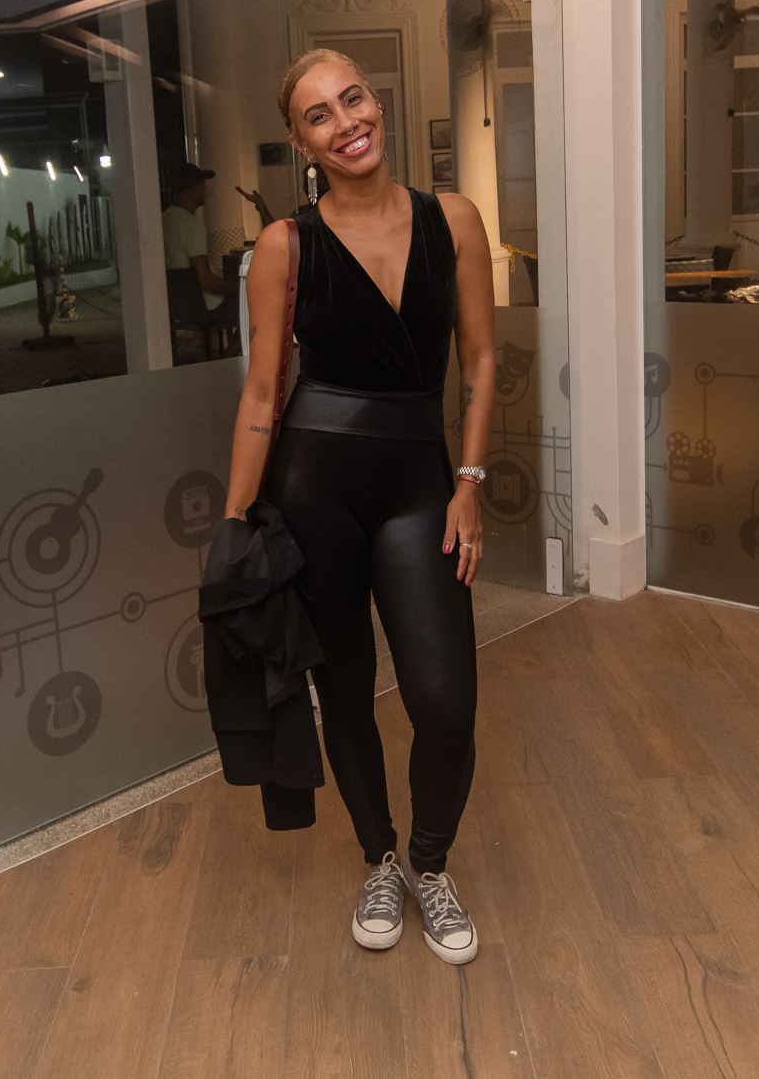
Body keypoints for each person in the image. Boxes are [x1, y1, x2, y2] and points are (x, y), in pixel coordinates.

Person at [222, 49, 496, 965]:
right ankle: (380, 856)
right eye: (319, 115)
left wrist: (469, 483)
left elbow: (481, 359)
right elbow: (264, 394)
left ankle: (430, 862)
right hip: (315, 484)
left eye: (353, 98)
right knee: (343, 686)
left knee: (443, 698)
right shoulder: (284, 246)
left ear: (376, 102)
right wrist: (234, 526)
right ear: (302, 142)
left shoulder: (453, 219)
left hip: (421, 482)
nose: (345, 122)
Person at [161, 162, 237, 313]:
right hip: (206, 306)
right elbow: (207, 281)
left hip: (181, 306)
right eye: (203, 184)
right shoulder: (191, 226)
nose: (205, 189)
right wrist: (242, 288)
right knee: (255, 305)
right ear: (194, 188)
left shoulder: (164, 219)